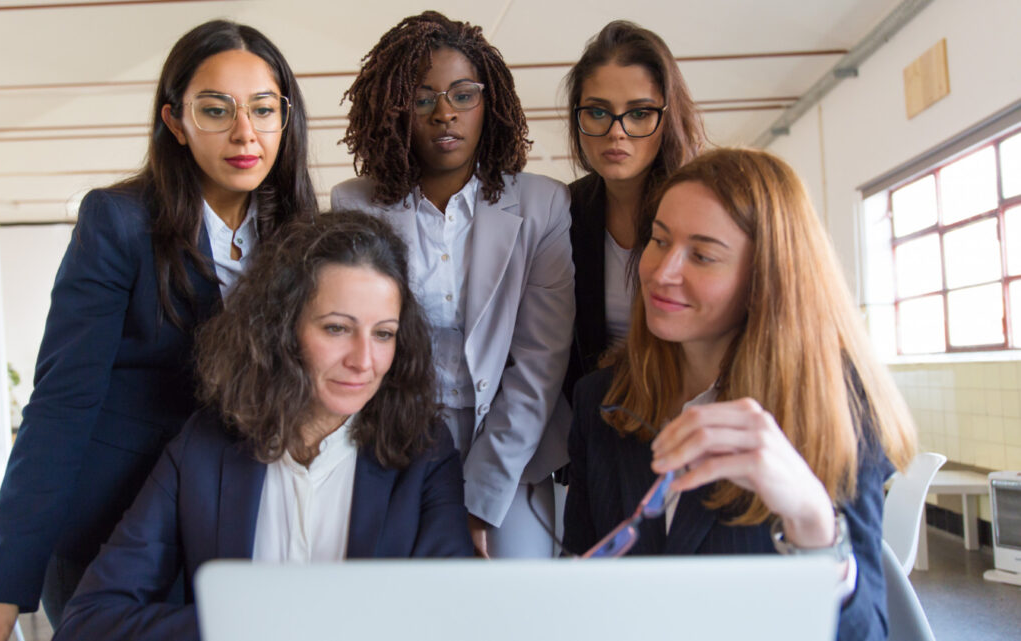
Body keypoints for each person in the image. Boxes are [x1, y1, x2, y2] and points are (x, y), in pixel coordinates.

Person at [0, 19, 315, 641]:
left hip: (242, 530)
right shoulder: (118, 222)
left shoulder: (303, 238)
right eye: (216, 109)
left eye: (263, 109)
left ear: (285, 117)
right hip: (112, 534)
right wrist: (0, 596)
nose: (244, 132)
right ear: (176, 122)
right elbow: (62, 407)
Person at [52, 211, 473, 640]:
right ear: (283, 329)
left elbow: (452, 622)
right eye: (337, 329)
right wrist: (254, 627)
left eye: (383, 334)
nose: (364, 361)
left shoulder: (426, 452)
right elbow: (88, 621)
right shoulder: (204, 446)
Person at [563, 148, 916, 640]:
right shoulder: (600, 400)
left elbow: (866, 634)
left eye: (703, 256)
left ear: (764, 280)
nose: (662, 272)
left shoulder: (835, 409)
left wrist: (812, 520)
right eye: (659, 240)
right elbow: (581, 582)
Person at [332, 11, 575, 558]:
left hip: (513, 437)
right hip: (396, 433)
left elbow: (539, 361)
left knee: (517, 598)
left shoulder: (543, 206)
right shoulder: (354, 205)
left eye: (464, 94)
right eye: (422, 99)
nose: (445, 112)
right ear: (396, 111)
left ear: (490, 103)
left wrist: (479, 497)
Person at [562, 21, 704, 401]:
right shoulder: (564, 212)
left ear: (667, 117)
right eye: (598, 112)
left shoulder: (706, 207)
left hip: (694, 412)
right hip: (601, 423)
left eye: (639, 113)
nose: (616, 132)